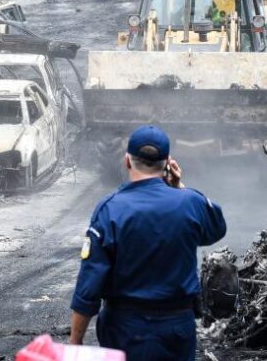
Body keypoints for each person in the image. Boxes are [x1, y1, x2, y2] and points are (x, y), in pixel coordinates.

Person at [68, 125, 227, 361]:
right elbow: (215, 229)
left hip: (124, 329)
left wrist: (75, 340)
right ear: (168, 163)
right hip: (177, 329)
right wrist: (180, 188)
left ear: (127, 161)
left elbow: (89, 284)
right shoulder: (190, 202)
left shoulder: (109, 209)